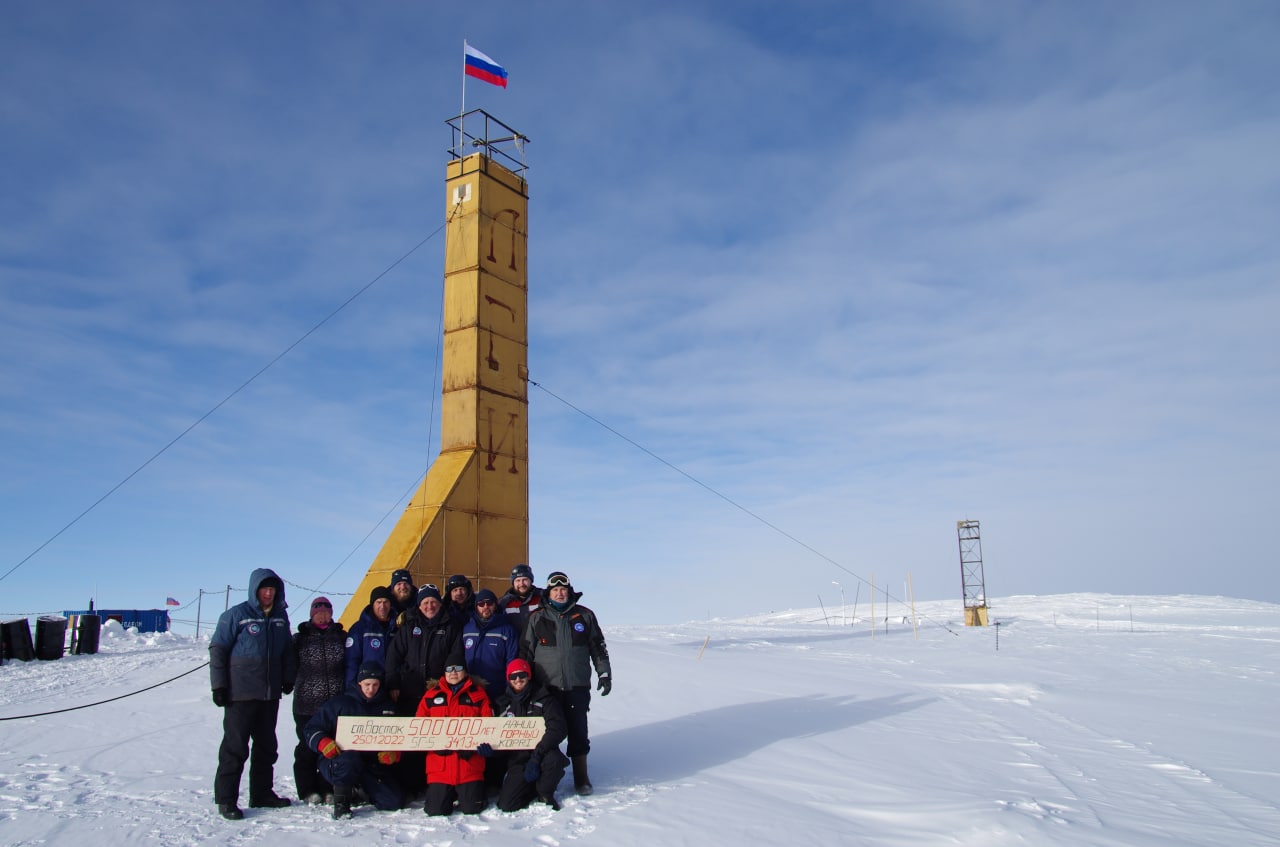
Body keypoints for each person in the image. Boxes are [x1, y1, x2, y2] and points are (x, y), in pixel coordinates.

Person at [209, 567, 298, 820]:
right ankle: (226, 799)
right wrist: (219, 686)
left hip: (269, 694)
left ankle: (261, 792)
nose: (268, 593)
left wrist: (288, 678)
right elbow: (218, 649)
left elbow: (287, 651)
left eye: (272, 589)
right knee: (235, 748)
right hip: (241, 694)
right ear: (255, 590)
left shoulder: (281, 617)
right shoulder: (236, 615)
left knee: (266, 746)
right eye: (264, 589)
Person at [523, 570, 611, 796]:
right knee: (546, 731)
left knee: (578, 730)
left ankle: (581, 777)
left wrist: (604, 673)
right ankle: (542, 775)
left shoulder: (585, 616)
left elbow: (597, 647)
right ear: (548, 593)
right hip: (546, 688)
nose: (560, 593)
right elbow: (526, 652)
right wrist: (524, 683)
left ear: (569, 591)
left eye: (563, 589)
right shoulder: (537, 618)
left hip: (576, 685)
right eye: (555, 590)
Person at [304, 661, 406, 819]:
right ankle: (341, 804)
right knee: (350, 760)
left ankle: (360, 791)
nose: (370, 689)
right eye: (367, 684)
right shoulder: (340, 703)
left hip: (371, 765)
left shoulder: (389, 708)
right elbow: (311, 729)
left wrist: (395, 753)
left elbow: (400, 737)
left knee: (393, 801)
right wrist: (323, 743)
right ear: (359, 683)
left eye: (375, 684)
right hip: (340, 760)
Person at [386, 584, 462, 795]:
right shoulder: (409, 626)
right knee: (412, 738)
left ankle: (436, 782)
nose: (429, 606)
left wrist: (448, 685)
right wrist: (392, 682)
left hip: (438, 693)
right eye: (425, 603)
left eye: (433, 602)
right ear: (419, 606)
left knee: (437, 738)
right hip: (410, 691)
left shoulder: (450, 627)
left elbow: (455, 658)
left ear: (439, 603)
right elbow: (394, 656)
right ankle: (411, 784)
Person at [416, 654, 493, 816]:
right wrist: (434, 745)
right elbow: (419, 726)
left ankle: (475, 793)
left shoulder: (478, 695)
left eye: (458, 669)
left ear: (465, 671)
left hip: (468, 765)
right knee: (435, 811)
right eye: (449, 669)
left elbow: (489, 725)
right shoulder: (431, 695)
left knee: (472, 809)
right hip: (440, 766)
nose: (453, 673)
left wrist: (481, 746)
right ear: (444, 673)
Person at [490, 658, 569, 812]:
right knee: (507, 805)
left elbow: (557, 728)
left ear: (529, 676)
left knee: (554, 760)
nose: (518, 680)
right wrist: (491, 749)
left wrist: (537, 755)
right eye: (513, 676)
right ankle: (531, 788)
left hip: (543, 753)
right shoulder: (503, 704)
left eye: (521, 675)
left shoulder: (544, 698)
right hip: (518, 759)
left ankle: (545, 792)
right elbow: (498, 735)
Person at [291, 596, 347, 805]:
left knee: (331, 747)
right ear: (312, 615)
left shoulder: (341, 637)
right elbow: (289, 665)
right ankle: (307, 789)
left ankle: (327, 787)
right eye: (319, 613)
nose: (323, 617)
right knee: (307, 747)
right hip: (307, 703)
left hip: (334, 703)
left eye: (326, 613)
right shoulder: (300, 639)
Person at [461, 588, 519, 700]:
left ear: (495, 605)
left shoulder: (507, 629)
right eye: (481, 604)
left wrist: (509, 686)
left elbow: (512, 660)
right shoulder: (467, 629)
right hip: (470, 689)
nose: (485, 606)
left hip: (497, 689)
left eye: (489, 603)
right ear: (476, 607)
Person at [345, 586, 397, 686]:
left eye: (386, 602)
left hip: (390, 686)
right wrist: (351, 687)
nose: (382, 606)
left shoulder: (396, 628)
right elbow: (352, 661)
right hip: (368, 687)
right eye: (379, 602)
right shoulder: (360, 628)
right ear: (372, 604)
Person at [498, 563, 543, 637]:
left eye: (525, 580)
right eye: (518, 580)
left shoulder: (542, 598)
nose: (521, 584)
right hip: (515, 645)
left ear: (531, 581)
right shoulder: (504, 603)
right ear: (513, 583)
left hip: (538, 646)